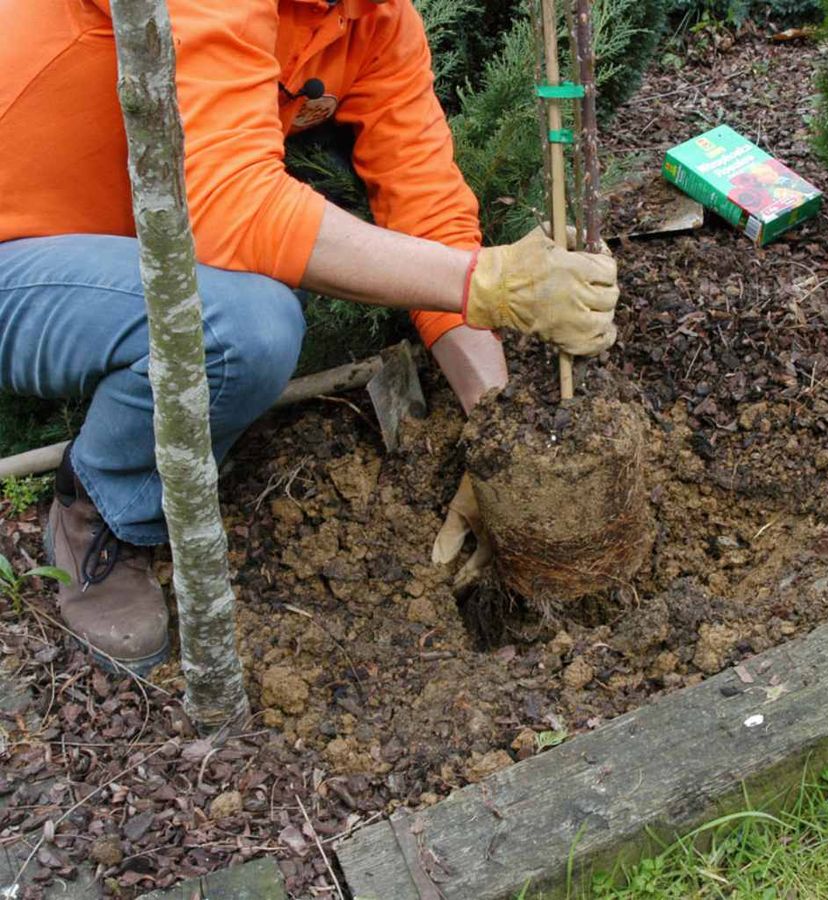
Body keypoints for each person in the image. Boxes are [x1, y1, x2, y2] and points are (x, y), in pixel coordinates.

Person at [0, 0, 619, 675]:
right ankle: (102, 510)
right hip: (13, 253)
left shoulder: (373, 18)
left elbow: (427, 210)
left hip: (101, 256)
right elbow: (232, 201)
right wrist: (488, 282)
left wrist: (500, 436)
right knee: (241, 327)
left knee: (243, 312)